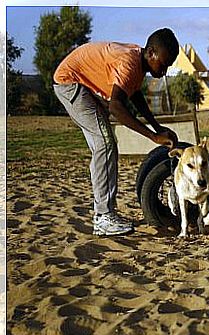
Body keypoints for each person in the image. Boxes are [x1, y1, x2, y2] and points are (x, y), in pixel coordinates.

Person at [53, 28, 179, 236]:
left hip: (81, 83)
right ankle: (103, 216)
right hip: (70, 82)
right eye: (164, 64)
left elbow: (135, 96)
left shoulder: (138, 63)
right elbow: (116, 107)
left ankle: (104, 212)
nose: (165, 71)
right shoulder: (129, 63)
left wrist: (158, 128)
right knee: (104, 143)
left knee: (104, 146)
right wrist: (152, 136)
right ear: (151, 53)